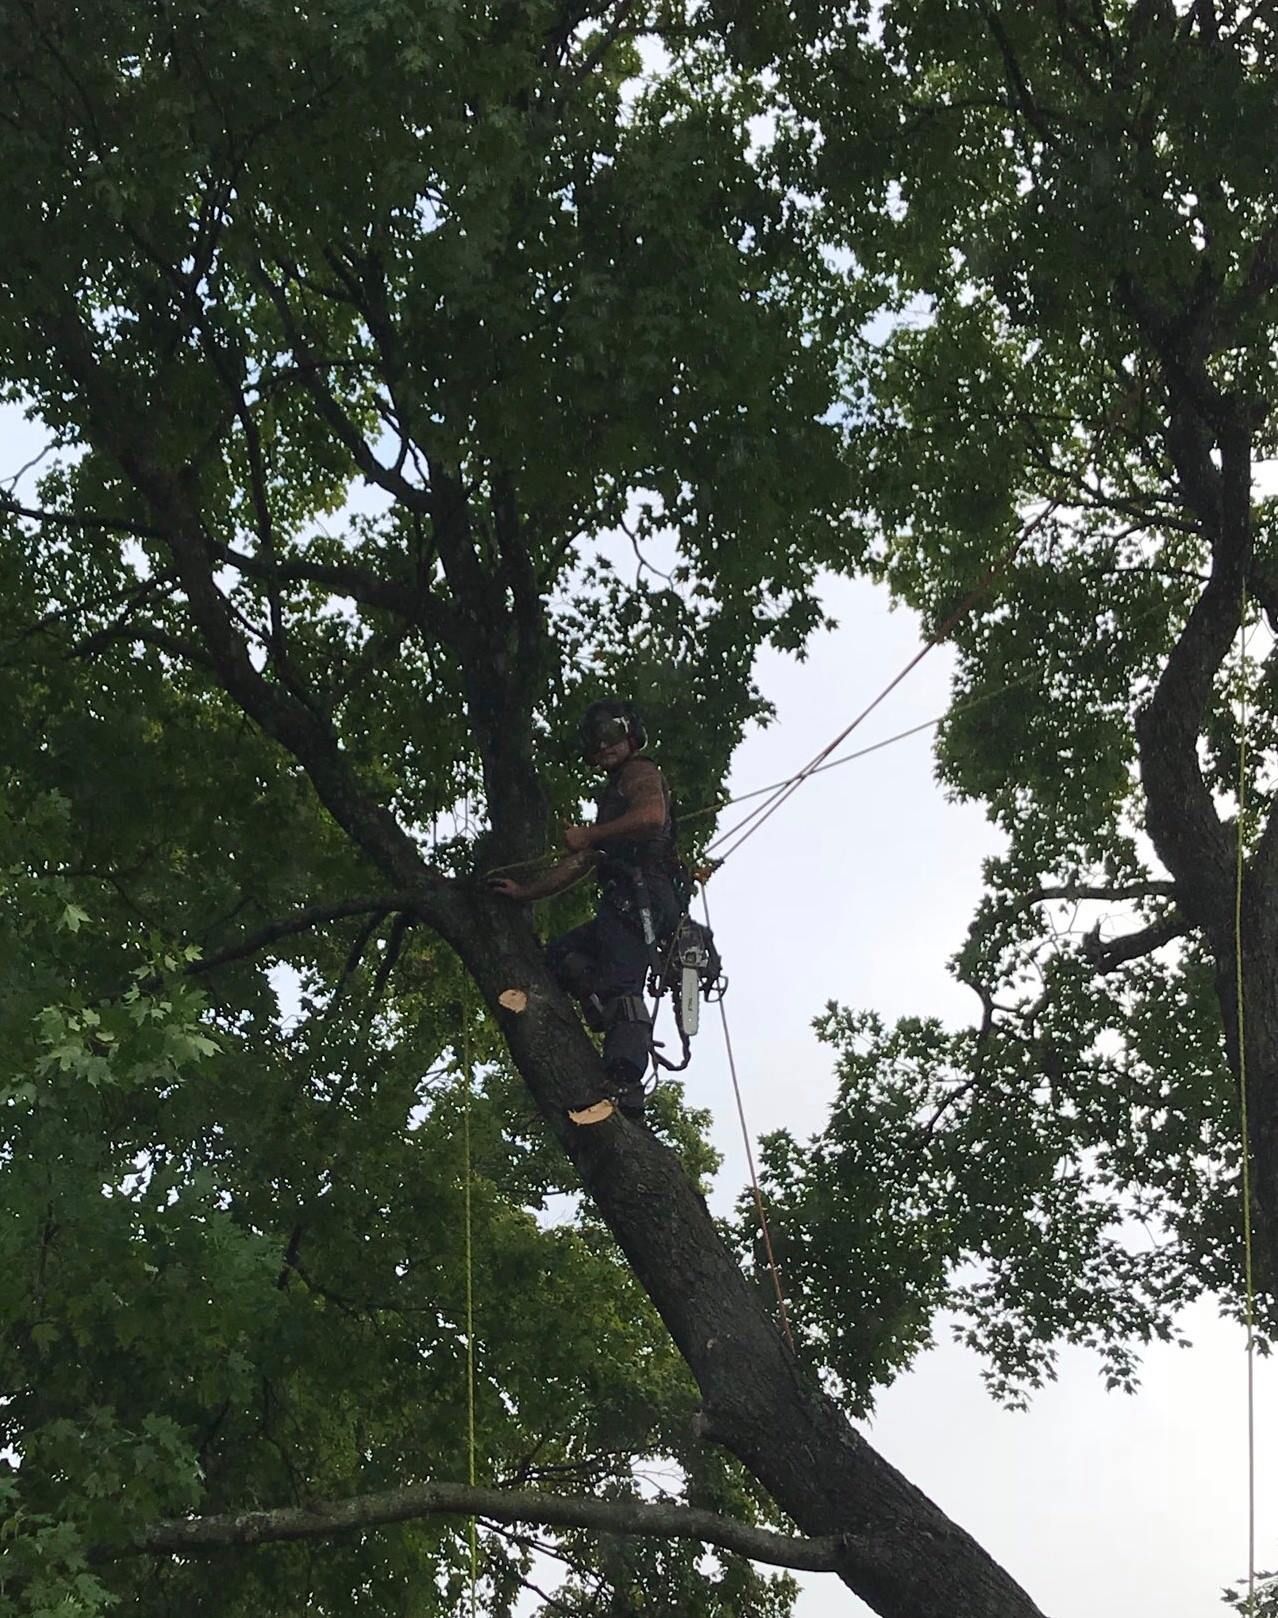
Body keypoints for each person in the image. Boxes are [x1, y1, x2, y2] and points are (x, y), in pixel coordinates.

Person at [489, 699, 681, 1118]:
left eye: (610, 736)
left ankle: (625, 1083)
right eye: (596, 743)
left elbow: (651, 816)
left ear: (629, 733)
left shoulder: (640, 772)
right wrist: (526, 893)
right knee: (560, 956)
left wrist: (593, 832)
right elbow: (582, 860)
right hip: (624, 898)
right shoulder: (613, 793)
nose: (604, 748)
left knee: (621, 985)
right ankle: (605, 1016)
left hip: (642, 896)